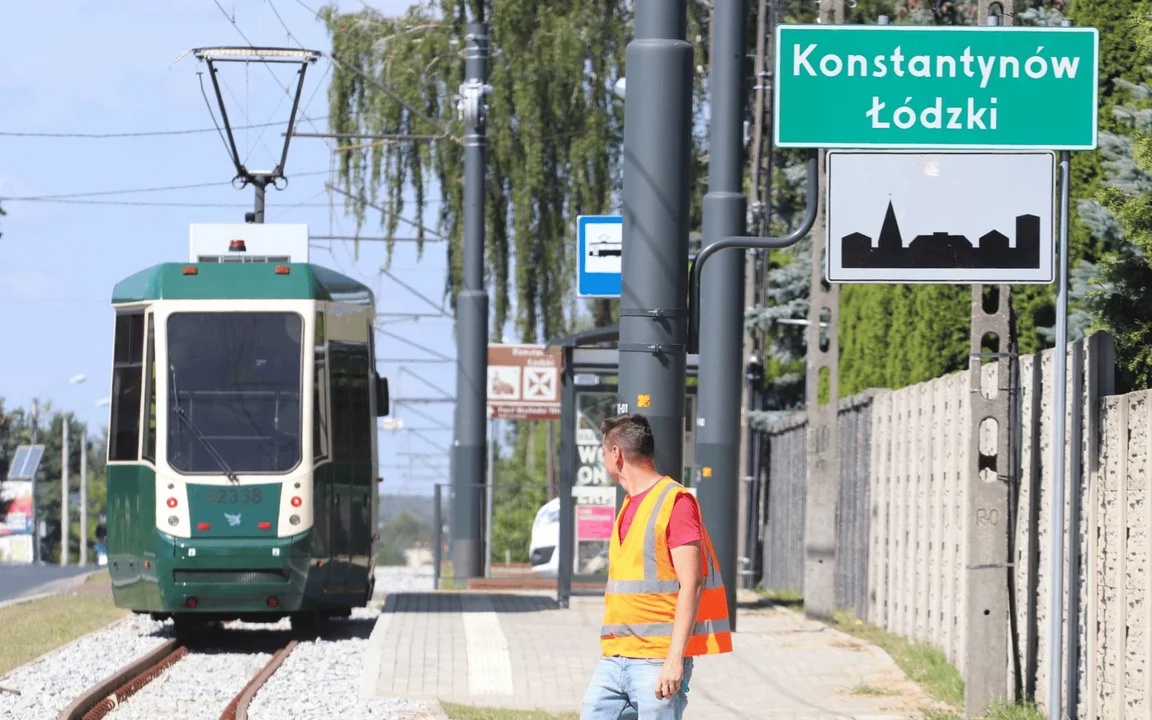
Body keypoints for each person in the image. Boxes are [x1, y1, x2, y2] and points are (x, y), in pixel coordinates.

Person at [580, 412, 732, 720]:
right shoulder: (628, 504)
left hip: (656, 659)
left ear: (616, 454)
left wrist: (675, 660)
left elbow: (692, 583)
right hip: (616, 655)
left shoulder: (675, 502)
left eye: (603, 453)